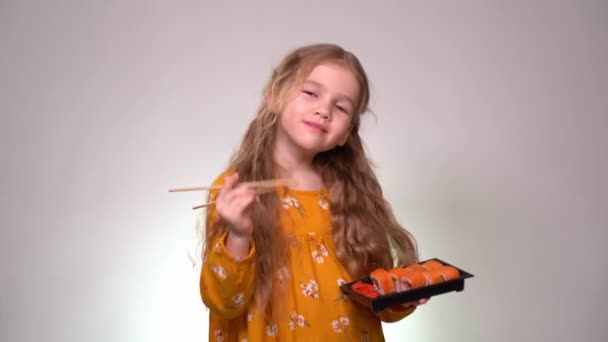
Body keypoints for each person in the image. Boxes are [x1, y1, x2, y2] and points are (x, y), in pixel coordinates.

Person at [198, 43, 424, 341]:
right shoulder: (237, 192)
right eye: (311, 93)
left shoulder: (350, 197)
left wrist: (400, 297)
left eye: (341, 107)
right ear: (275, 94)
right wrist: (238, 235)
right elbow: (225, 303)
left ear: (346, 133)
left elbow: (373, 298)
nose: (324, 110)